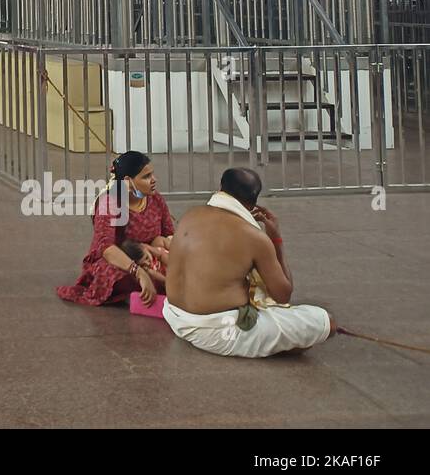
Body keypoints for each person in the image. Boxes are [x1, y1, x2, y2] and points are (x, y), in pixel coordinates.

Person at [163, 168, 334, 357]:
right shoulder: (254, 237)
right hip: (218, 331)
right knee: (326, 322)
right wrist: (275, 239)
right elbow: (283, 295)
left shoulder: (191, 215)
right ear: (254, 202)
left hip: (175, 317)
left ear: (221, 188)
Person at [56, 152, 174, 307]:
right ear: (128, 181)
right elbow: (107, 248)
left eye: (152, 174)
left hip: (152, 257)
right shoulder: (109, 202)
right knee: (112, 274)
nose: (154, 180)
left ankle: (160, 283)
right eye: (146, 177)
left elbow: (169, 234)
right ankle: (155, 285)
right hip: (120, 261)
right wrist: (140, 273)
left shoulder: (155, 199)